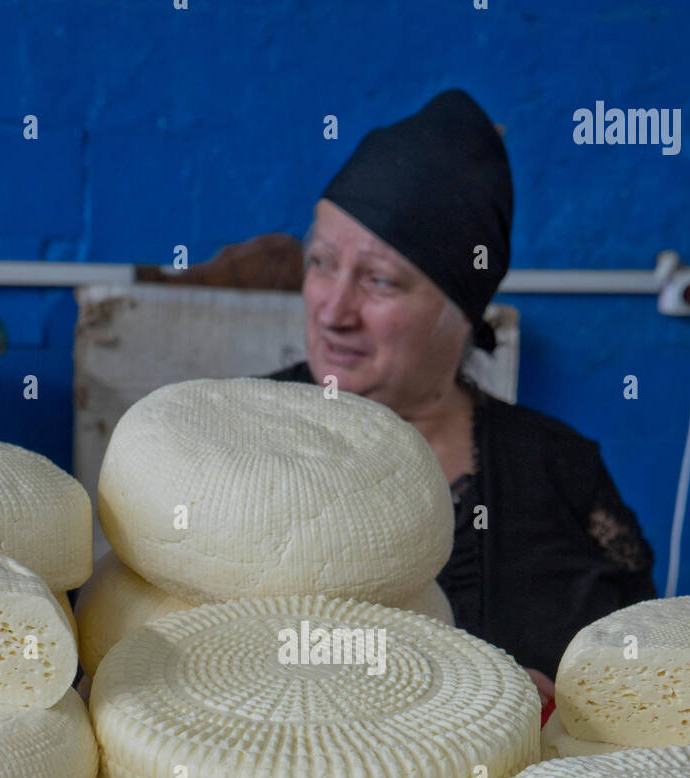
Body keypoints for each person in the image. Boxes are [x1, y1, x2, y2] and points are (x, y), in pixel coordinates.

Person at [266, 89, 657, 704]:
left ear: (460, 309)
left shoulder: (559, 468)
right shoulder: (241, 439)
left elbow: (640, 688)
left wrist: (570, 709)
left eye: (378, 281)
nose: (334, 310)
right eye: (321, 262)